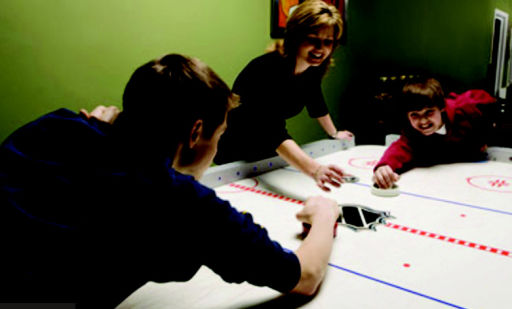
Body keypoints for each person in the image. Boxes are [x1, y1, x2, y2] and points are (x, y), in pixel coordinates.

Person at [0, 53, 340, 307]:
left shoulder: (54, 126)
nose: (217, 145)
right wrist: (323, 214)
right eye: (218, 134)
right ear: (195, 132)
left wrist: (104, 135)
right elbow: (305, 276)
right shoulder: (181, 202)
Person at [215, 0, 353, 192]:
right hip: (235, 150)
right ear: (295, 37)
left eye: (327, 42)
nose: (320, 49)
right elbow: (271, 131)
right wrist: (315, 170)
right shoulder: (267, 69)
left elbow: (316, 103)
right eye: (312, 39)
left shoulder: (311, 70)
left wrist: (334, 133)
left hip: (267, 150)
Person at [372, 77, 496, 189]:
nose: (423, 121)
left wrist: (484, 136)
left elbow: (491, 105)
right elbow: (402, 147)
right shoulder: (412, 130)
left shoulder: (466, 108)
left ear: (441, 107)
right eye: (415, 115)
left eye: (429, 112)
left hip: (479, 171)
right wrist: (385, 166)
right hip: (446, 180)